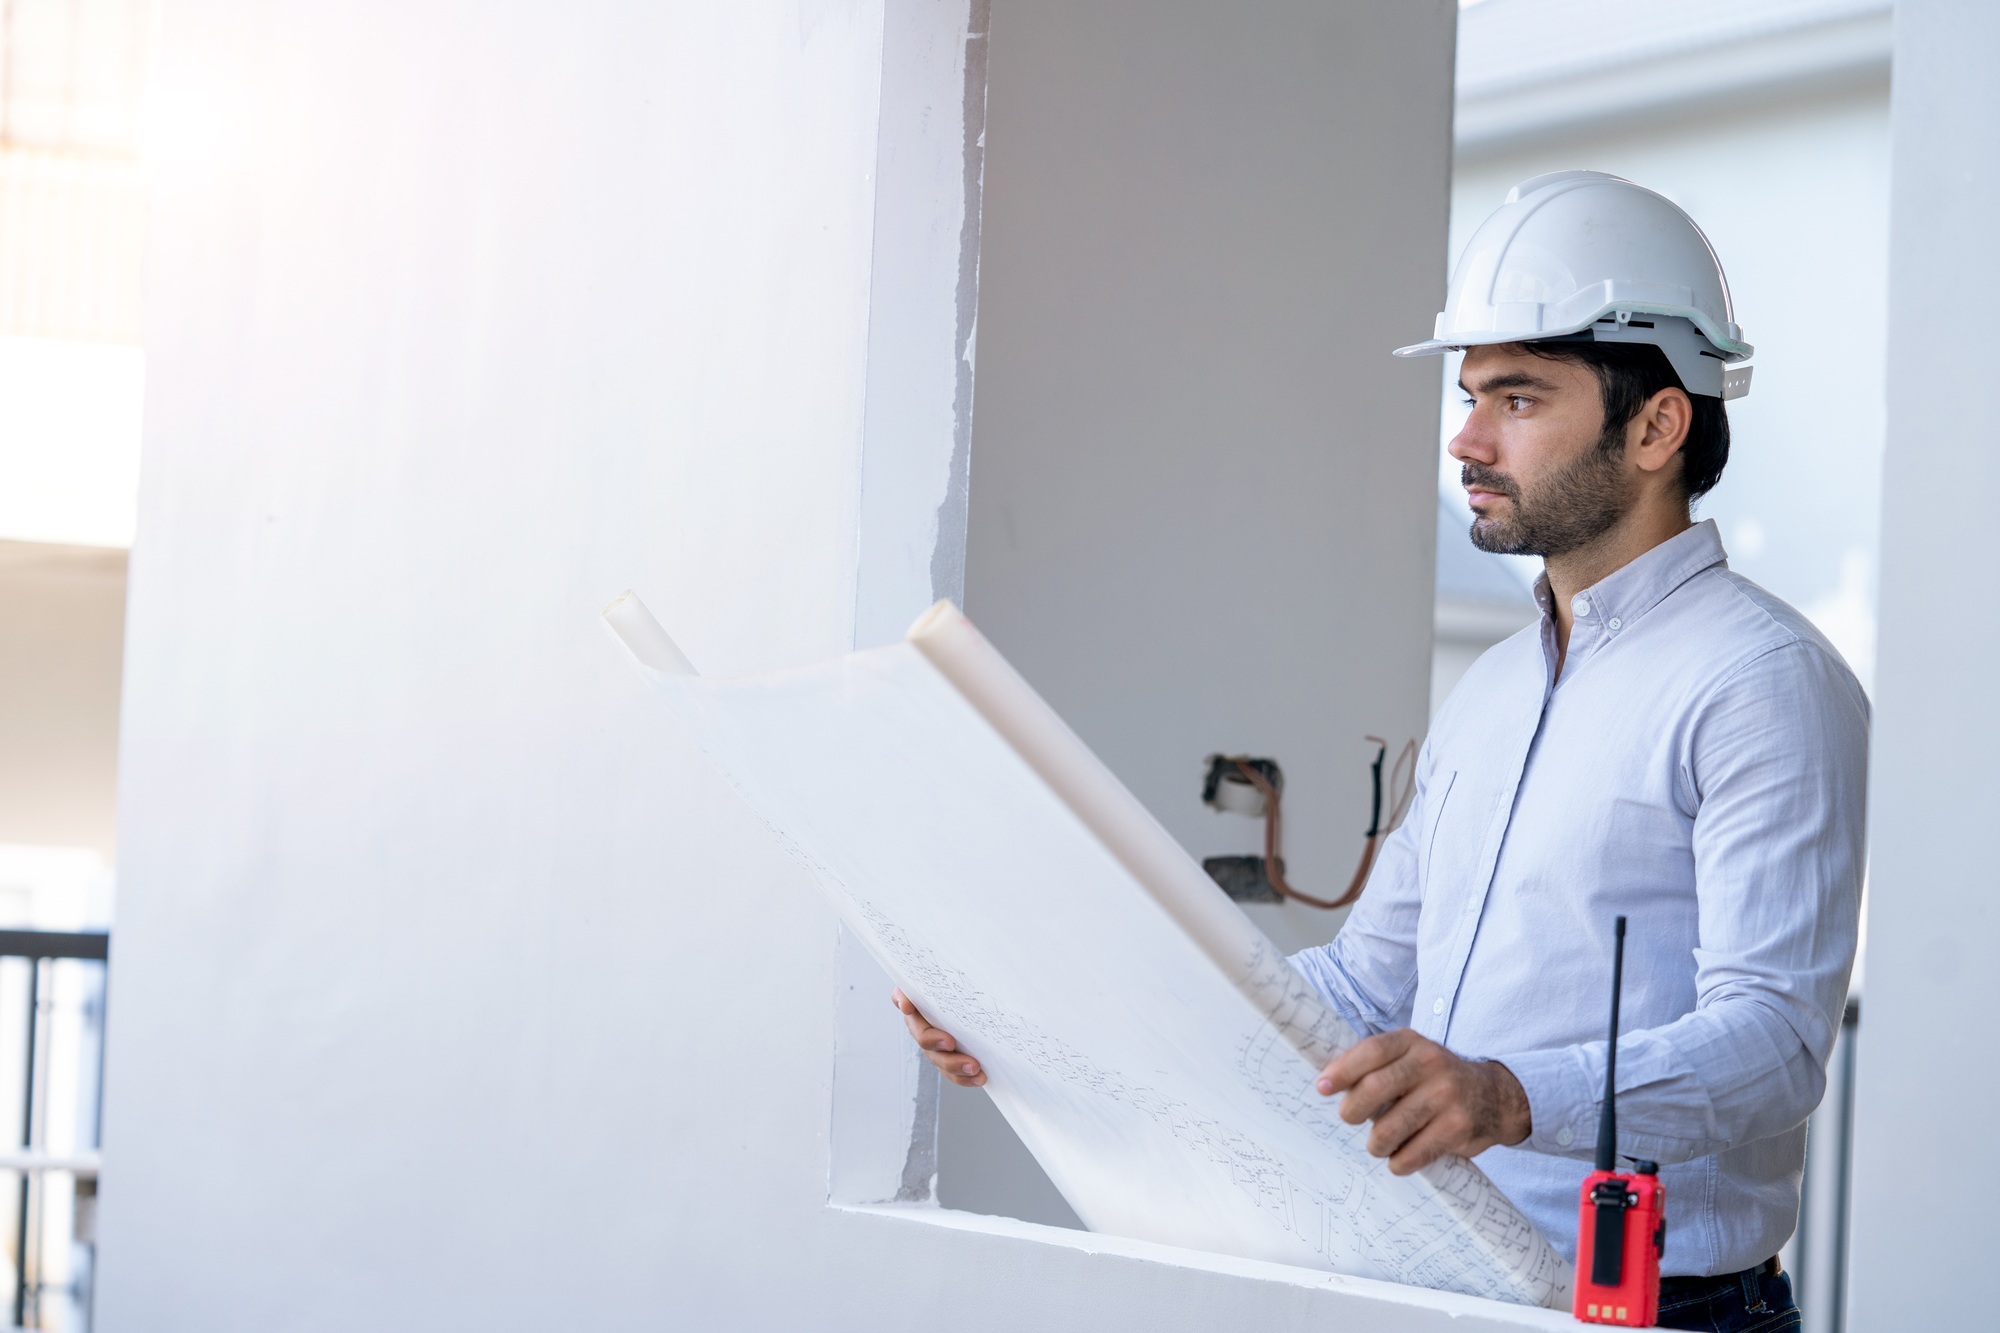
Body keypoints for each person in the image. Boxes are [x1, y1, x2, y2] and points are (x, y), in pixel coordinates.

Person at [895, 172, 1865, 1332]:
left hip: (1657, 1312)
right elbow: (1357, 990)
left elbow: (1773, 1043)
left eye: (1515, 397)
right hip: (1443, 1284)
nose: (1464, 438)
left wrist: (1505, 1096)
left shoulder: (1761, 683)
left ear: (1656, 423)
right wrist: (1041, 1026)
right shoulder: (1494, 689)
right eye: (1467, 397)